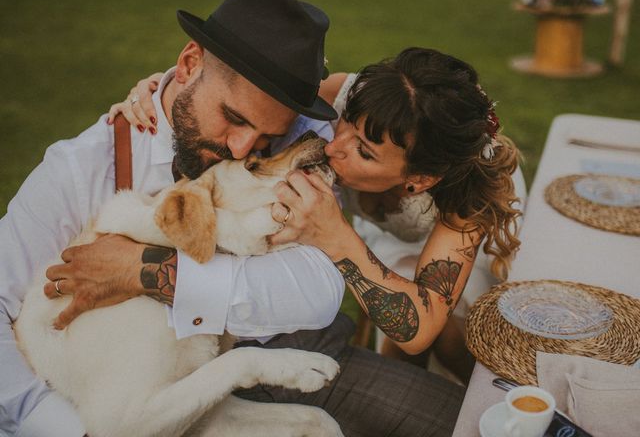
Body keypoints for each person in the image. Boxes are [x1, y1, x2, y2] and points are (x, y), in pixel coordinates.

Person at [0, 0, 464, 437]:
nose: (242, 149)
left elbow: (318, 290)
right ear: (187, 63)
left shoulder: (298, 137)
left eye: (264, 138)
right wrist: (60, 427)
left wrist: (142, 269)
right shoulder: (82, 167)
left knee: (470, 423)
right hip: (142, 396)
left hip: (300, 354)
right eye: (234, 118)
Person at [122, 48, 525, 383]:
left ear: (418, 179)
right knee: (394, 293)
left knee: (455, 338)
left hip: (474, 240)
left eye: (364, 152)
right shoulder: (335, 95)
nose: (335, 148)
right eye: (346, 124)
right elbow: (235, 86)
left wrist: (333, 235)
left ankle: (485, 396)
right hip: (381, 235)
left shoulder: (466, 199)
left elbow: (417, 329)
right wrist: (164, 86)